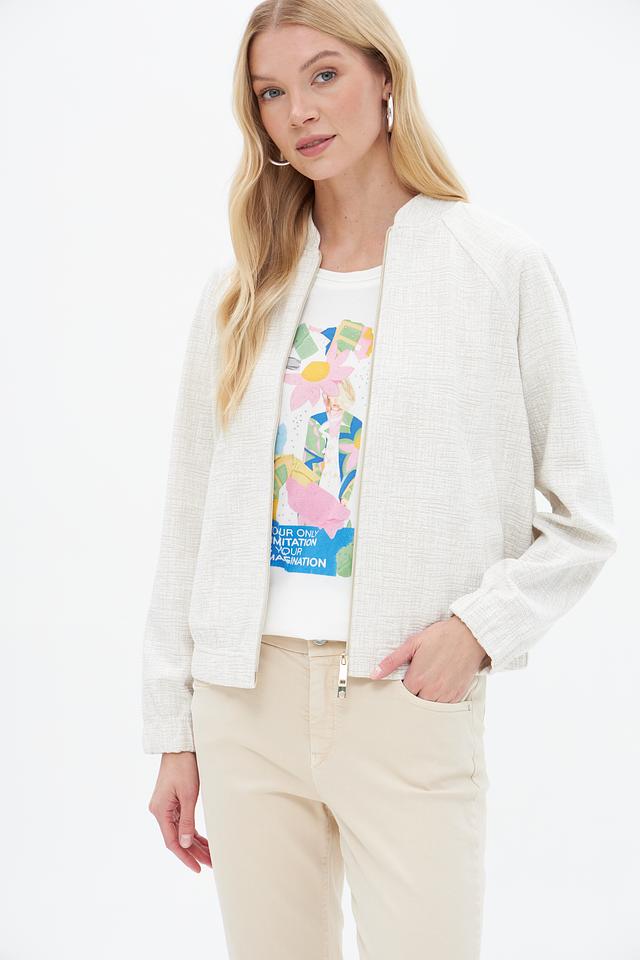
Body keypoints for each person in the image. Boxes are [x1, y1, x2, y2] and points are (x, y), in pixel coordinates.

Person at [142, 2, 617, 957]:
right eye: (271, 93)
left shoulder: (497, 267)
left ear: (385, 75)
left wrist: (476, 633)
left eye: (324, 75)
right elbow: (189, 523)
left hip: (404, 699)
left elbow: (584, 518)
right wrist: (175, 728)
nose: (300, 112)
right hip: (245, 704)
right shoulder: (242, 289)